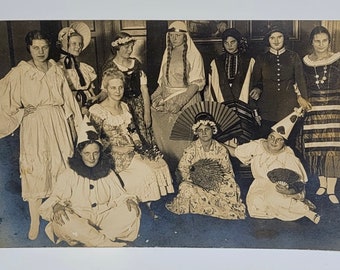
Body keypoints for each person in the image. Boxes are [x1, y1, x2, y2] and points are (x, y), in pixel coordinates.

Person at [0, 30, 82, 240]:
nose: (40, 51)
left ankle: (61, 217)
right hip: (34, 123)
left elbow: (68, 100)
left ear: (50, 47)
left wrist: (76, 125)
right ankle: (35, 220)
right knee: (35, 168)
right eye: (35, 47)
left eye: (44, 47)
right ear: (29, 48)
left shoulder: (56, 69)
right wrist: (19, 112)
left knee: (62, 165)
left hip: (57, 121)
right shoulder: (21, 71)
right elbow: (4, 96)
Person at [39, 116, 141, 247]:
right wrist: (57, 207)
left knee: (132, 211)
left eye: (96, 153)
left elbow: (120, 195)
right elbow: (55, 199)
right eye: (87, 153)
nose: (92, 158)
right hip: (78, 218)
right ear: (80, 153)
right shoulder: (69, 174)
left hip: (103, 218)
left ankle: (90, 240)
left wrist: (129, 200)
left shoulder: (107, 172)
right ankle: (105, 244)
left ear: (100, 153)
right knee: (65, 221)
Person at [89, 69, 174, 218]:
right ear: (106, 88)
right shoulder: (97, 110)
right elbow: (92, 140)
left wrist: (140, 146)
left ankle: (149, 206)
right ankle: (140, 211)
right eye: (113, 87)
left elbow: (132, 129)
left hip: (131, 150)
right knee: (146, 173)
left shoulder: (124, 106)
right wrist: (116, 148)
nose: (117, 91)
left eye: (120, 87)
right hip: (110, 155)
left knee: (159, 164)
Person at [226, 108, 320, 224]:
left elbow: (300, 182)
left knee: (273, 198)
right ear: (268, 136)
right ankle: (283, 209)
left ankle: (306, 211)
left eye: (279, 140)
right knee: (255, 207)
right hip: (260, 184)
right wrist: (215, 142)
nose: (274, 142)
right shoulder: (258, 146)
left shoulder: (288, 156)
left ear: (284, 142)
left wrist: (289, 191)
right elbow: (235, 152)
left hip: (284, 188)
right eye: (272, 137)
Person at [166, 112, 246, 220]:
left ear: (213, 130)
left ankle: (219, 208)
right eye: (200, 130)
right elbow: (182, 169)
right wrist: (196, 179)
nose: (204, 133)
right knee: (185, 188)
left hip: (216, 182)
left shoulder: (220, 149)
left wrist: (215, 180)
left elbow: (227, 171)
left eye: (207, 129)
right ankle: (204, 208)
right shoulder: (191, 149)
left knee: (230, 186)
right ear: (196, 133)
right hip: (196, 182)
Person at [151, 21, 206, 171]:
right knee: (165, 140)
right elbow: (163, 82)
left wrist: (179, 103)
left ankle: (185, 174)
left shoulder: (193, 55)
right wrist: (154, 97)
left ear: (185, 37)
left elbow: (196, 84)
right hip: (168, 99)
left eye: (178, 35)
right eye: (172, 35)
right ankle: (170, 173)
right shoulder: (167, 53)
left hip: (186, 101)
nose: (174, 38)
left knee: (182, 141)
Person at [250, 25, 311, 149]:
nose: (276, 41)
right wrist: (255, 105)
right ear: (268, 40)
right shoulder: (261, 58)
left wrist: (303, 101)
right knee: (265, 145)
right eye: (272, 38)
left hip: (288, 109)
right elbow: (255, 83)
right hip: (266, 110)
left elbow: (300, 81)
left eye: (279, 37)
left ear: (285, 38)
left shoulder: (293, 57)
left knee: (288, 146)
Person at [301, 26, 340, 204]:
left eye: (324, 40)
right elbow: (299, 84)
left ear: (329, 41)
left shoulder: (337, 59)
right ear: (312, 42)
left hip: (335, 108)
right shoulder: (305, 62)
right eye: (317, 41)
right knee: (316, 147)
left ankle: (331, 189)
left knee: (333, 148)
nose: (321, 44)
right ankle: (322, 183)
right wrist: (301, 99)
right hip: (313, 109)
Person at [205, 27, 258, 144]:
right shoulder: (216, 62)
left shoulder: (250, 61)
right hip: (223, 101)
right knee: (225, 137)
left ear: (239, 42)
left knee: (243, 136)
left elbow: (255, 81)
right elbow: (212, 83)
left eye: (233, 42)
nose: (229, 45)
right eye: (226, 42)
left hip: (243, 102)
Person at [102, 32, 153, 146]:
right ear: (117, 48)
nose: (130, 50)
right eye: (126, 47)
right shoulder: (109, 66)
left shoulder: (136, 64)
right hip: (120, 107)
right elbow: (105, 91)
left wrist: (147, 113)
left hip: (139, 106)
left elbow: (144, 90)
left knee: (143, 138)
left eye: (131, 47)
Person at [57, 22, 106, 115]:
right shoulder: (57, 68)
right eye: (74, 44)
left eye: (80, 44)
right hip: (71, 108)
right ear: (65, 44)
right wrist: (78, 110)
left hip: (89, 108)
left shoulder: (85, 68)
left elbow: (91, 91)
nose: (78, 47)